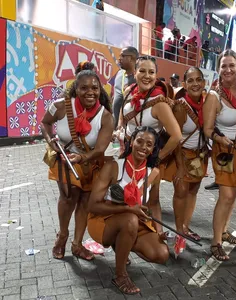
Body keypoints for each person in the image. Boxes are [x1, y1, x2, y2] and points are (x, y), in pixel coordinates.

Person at [41, 70, 113, 260]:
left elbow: (100, 149)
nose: (90, 92)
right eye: (84, 88)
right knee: (68, 196)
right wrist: (50, 141)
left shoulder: (105, 116)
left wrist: (81, 158)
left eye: (95, 88)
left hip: (90, 162)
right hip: (65, 160)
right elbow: (45, 123)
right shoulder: (61, 106)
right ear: (76, 89)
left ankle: (77, 244)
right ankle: (62, 237)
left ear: (100, 90)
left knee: (85, 202)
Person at [87, 126, 169, 295]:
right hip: (102, 220)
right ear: (132, 142)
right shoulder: (114, 166)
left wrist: (159, 230)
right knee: (130, 219)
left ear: (153, 149)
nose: (143, 147)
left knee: (162, 254)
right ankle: (120, 274)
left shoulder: (153, 173)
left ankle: (122, 243)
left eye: (149, 144)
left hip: (133, 221)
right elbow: (92, 205)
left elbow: (154, 204)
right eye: (139, 141)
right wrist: (128, 208)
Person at [117, 56, 181, 235]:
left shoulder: (159, 102)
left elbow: (176, 136)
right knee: (124, 197)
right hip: (127, 156)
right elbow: (123, 116)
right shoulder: (129, 91)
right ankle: (125, 236)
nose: (147, 76)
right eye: (142, 71)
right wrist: (120, 130)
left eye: (151, 72)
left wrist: (157, 157)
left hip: (148, 159)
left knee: (152, 199)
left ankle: (158, 234)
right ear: (134, 72)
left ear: (156, 75)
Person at [203, 49, 236, 261]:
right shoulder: (214, 96)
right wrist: (221, 139)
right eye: (223, 66)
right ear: (218, 69)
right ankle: (215, 242)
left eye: (231, 65)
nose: (228, 69)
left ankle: (224, 231)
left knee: (235, 195)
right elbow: (207, 129)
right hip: (225, 151)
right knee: (225, 196)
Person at [163, 67, 208, 252]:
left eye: (199, 80)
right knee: (181, 192)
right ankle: (179, 230)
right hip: (181, 156)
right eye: (191, 80)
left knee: (193, 191)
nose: (195, 84)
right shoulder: (180, 106)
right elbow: (176, 138)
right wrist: (180, 167)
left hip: (200, 155)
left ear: (204, 83)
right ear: (184, 84)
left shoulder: (208, 103)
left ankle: (185, 227)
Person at [113, 47, 139, 129]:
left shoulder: (139, 78)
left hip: (130, 129)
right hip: (115, 128)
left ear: (131, 58)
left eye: (122, 56)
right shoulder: (119, 74)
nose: (119, 59)